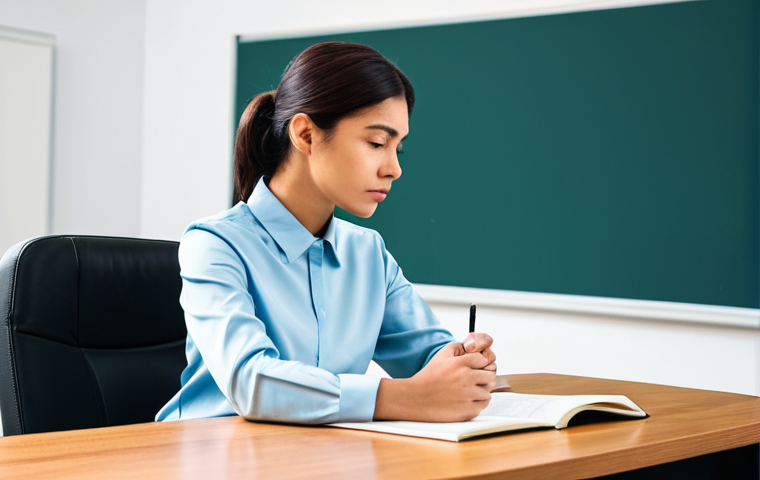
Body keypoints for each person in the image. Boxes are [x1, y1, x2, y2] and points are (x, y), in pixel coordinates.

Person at [156, 41, 497, 425]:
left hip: (320, 455)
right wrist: (407, 397)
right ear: (305, 135)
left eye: (398, 149)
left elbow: (427, 356)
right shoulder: (214, 244)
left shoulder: (367, 253)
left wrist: (464, 362)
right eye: (376, 143)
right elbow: (251, 382)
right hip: (206, 456)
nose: (393, 169)